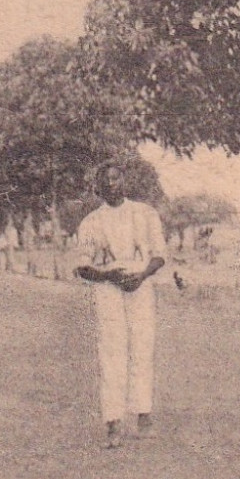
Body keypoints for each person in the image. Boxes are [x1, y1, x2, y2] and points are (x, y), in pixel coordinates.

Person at [74, 164, 167, 448]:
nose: (112, 184)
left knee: (142, 348)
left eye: (116, 179)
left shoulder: (144, 213)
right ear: (98, 188)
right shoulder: (91, 222)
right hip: (108, 290)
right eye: (106, 181)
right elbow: (82, 266)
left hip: (140, 287)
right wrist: (107, 276)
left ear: (124, 181)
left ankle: (143, 415)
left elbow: (159, 255)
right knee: (111, 351)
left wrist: (142, 275)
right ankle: (113, 422)